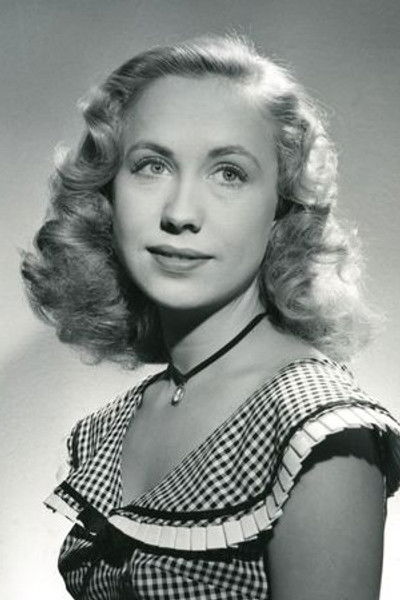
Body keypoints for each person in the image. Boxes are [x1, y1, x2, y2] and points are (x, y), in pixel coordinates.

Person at [21, 34, 400, 600]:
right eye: (151, 166)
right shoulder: (110, 427)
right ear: (108, 193)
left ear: (283, 208)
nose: (180, 213)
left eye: (229, 173)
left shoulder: (318, 433)